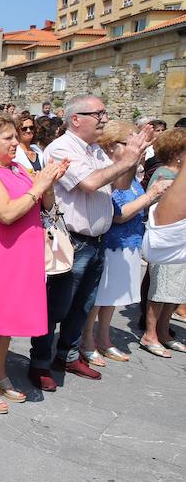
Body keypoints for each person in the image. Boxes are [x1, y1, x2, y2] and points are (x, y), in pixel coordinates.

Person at [30, 95, 153, 390]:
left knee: (83, 305)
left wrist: (131, 158)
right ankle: (40, 363)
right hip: (72, 240)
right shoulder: (62, 148)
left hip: (97, 239)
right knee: (55, 307)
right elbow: (89, 184)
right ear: (76, 118)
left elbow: (118, 184)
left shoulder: (95, 150)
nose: (104, 119)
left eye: (104, 113)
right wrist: (124, 160)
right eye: (98, 114)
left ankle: (68, 354)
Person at [0, 112, 67, 413]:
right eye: (7, 138)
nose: (16, 142)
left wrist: (49, 183)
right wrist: (39, 186)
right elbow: (7, 213)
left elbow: (45, 205)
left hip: (23, 254)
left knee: (6, 319)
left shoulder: (19, 169)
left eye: (15, 136)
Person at [80, 122, 170, 365]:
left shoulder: (130, 173)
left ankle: (104, 338)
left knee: (113, 299)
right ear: (111, 146)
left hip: (128, 243)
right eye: (128, 143)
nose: (135, 149)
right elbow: (118, 213)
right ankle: (87, 340)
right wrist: (151, 196)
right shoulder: (109, 171)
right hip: (111, 243)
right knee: (99, 299)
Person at [142, 129, 186, 356]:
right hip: (166, 237)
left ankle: (164, 330)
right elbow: (154, 206)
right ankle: (150, 334)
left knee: (176, 290)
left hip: (179, 238)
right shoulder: (165, 173)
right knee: (160, 290)